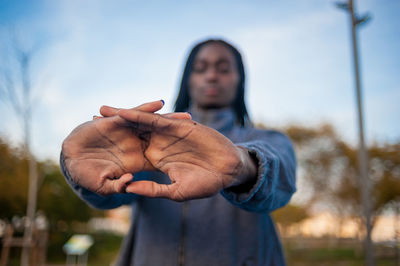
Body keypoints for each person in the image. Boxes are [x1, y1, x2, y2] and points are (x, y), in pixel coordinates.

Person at [60, 39, 296, 266]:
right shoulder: (149, 143)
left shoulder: (269, 140)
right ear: (188, 79)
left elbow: (280, 180)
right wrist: (91, 170)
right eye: (200, 68)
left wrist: (242, 165)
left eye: (223, 69)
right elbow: (113, 195)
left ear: (240, 80)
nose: (211, 75)